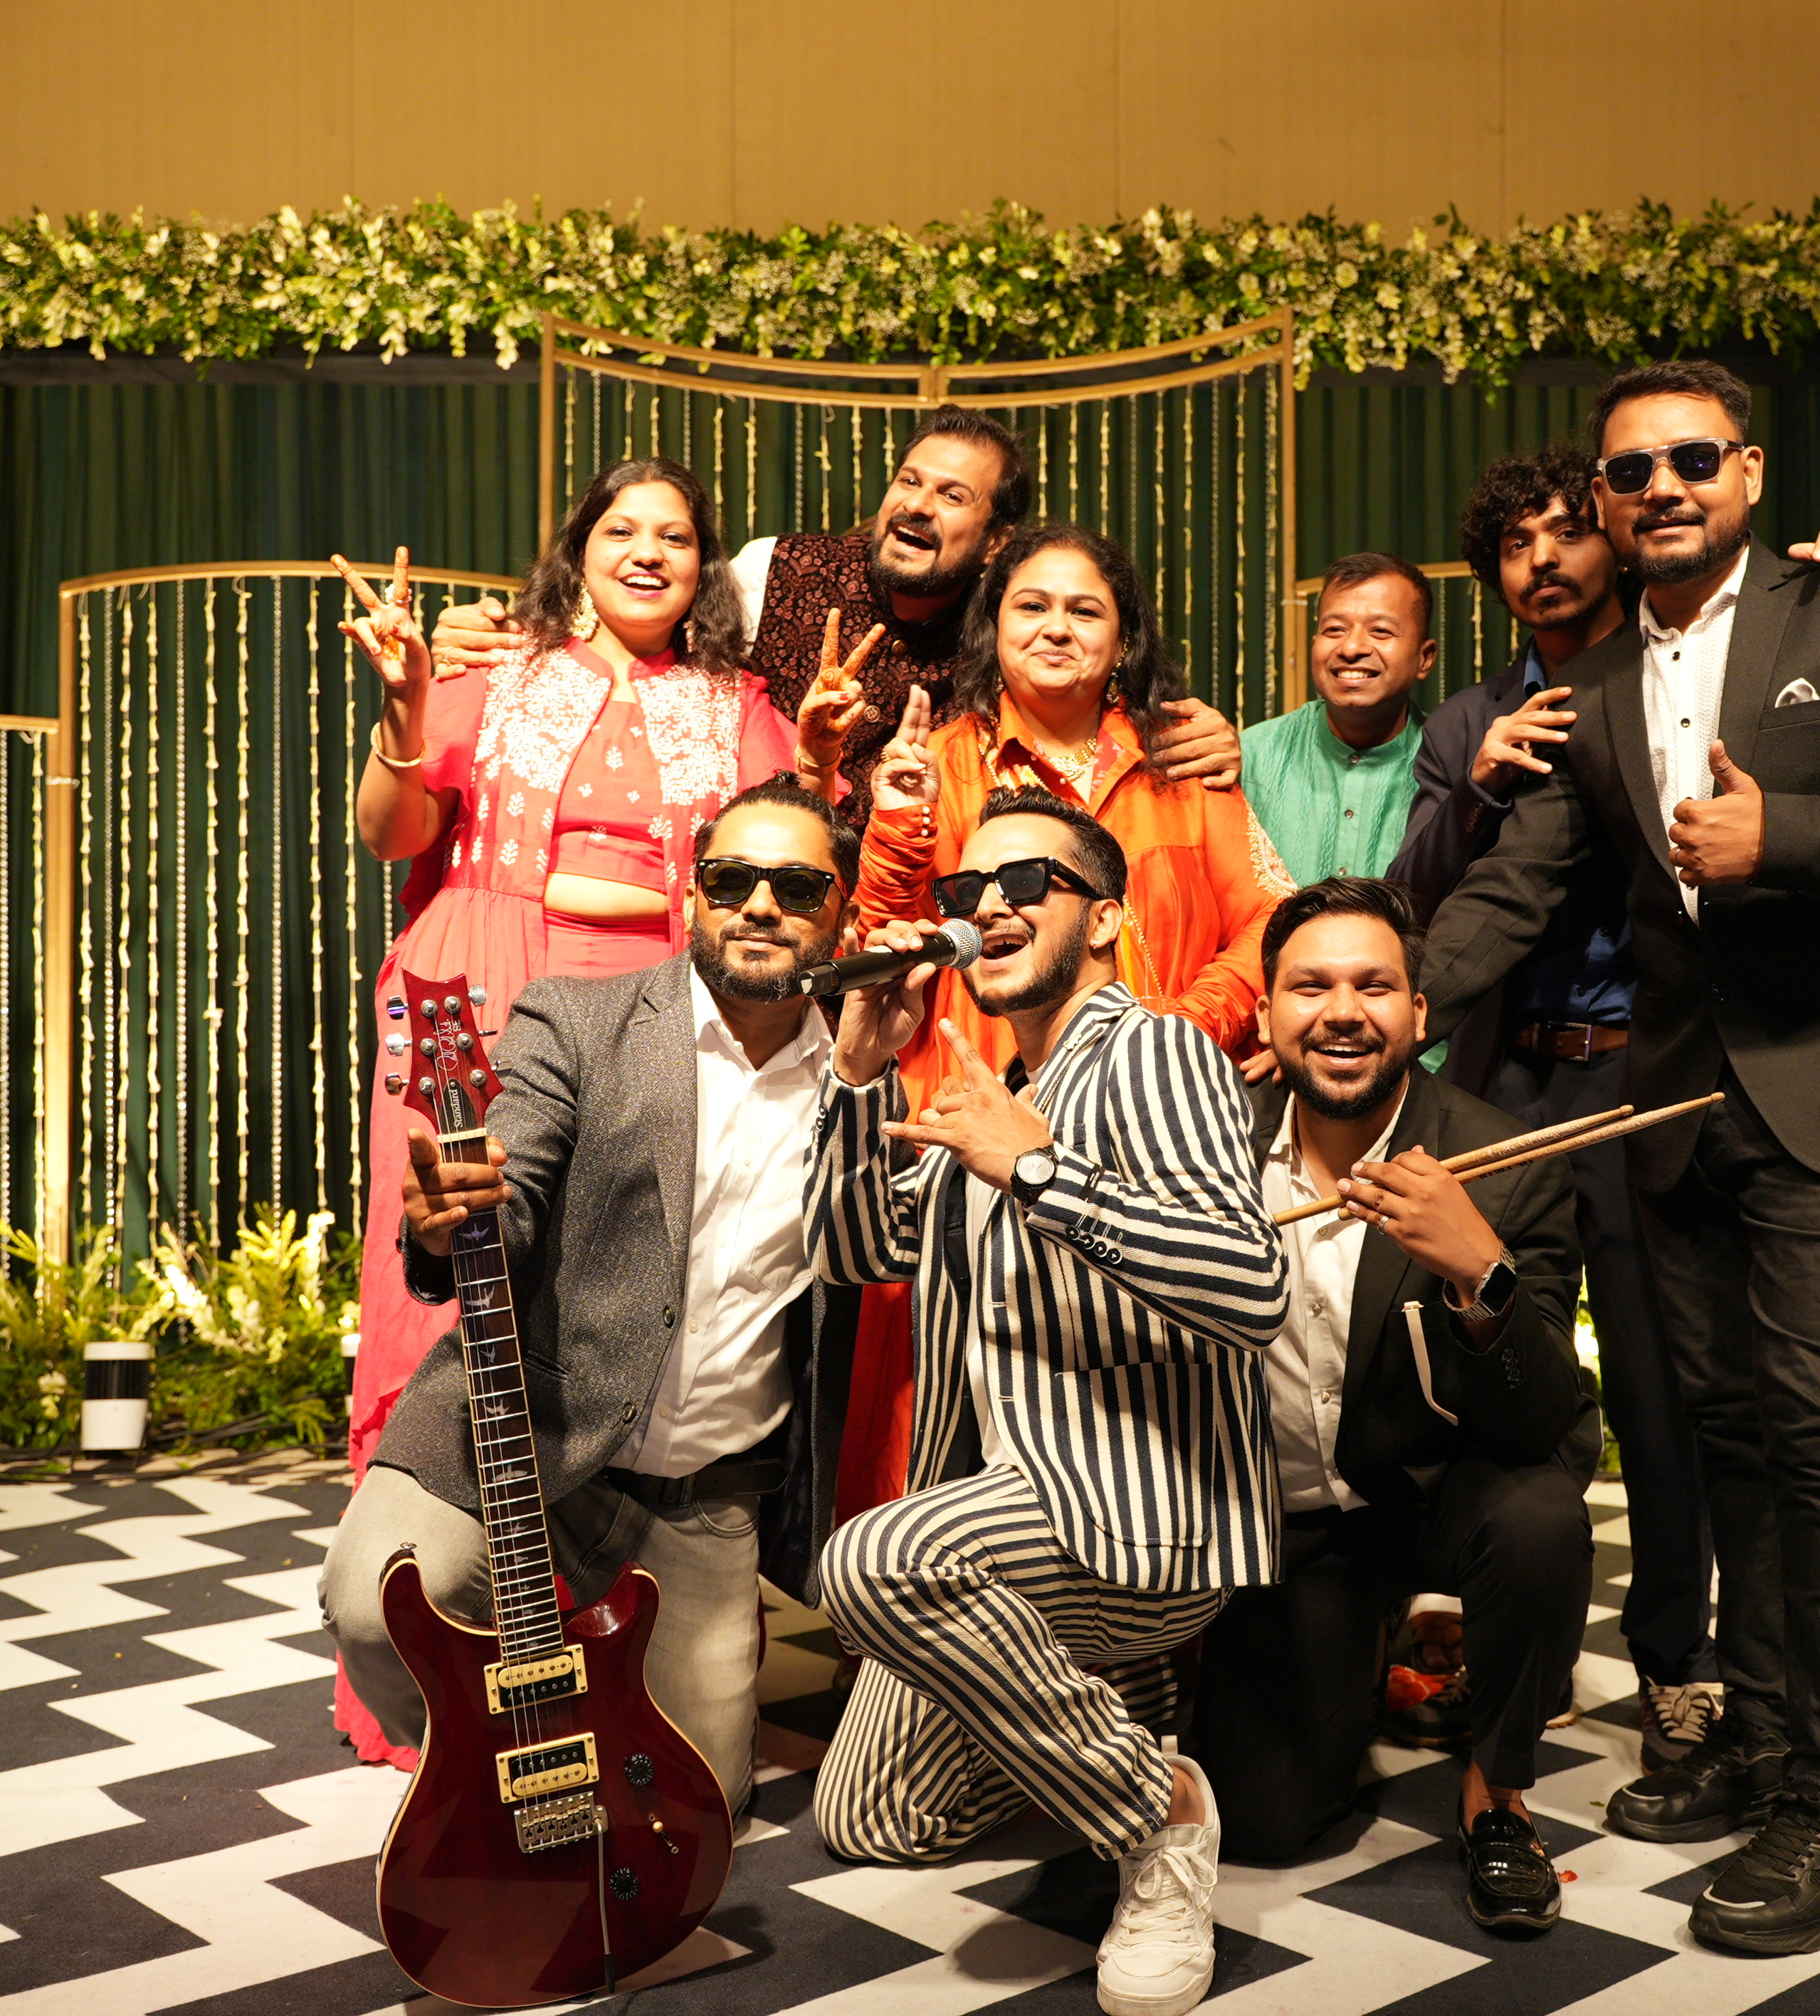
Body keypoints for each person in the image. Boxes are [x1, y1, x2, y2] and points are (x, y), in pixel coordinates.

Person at [1415, 360, 1820, 1957]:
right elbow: (1524, 880)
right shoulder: (1604, 678)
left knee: (1815, 1431)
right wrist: (1387, 995)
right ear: (1606, 503)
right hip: (1681, 1110)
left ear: (1745, 471)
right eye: (1631, 470)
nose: (1661, 487)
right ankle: (1756, 1731)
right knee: (1730, 1434)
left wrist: (1787, 839)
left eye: (1692, 458)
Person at [1392, 449, 1820, 1770]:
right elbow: (1460, 891)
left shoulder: (1717, 657)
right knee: (1502, 1361)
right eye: (1519, 544)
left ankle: (1692, 1673)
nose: (1548, 559)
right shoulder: (1484, 717)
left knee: (1680, 1394)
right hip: (1508, 1078)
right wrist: (1402, 985)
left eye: (1573, 530)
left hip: (1660, 1077)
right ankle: (1525, 1641)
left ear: (1621, 539)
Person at [334, 459, 836, 1765]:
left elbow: (795, 853)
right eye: (623, 528)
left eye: (677, 535)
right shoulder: (493, 672)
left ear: (707, 568)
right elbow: (392, 835)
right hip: (477, 987)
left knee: (628, 1298)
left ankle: (595, 1672)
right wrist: (403, 703)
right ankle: (436, 1684)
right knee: (444, 1295)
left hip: (655, 1009)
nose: (649, 551)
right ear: (580, 546)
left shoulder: (742, 708)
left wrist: (830, 755)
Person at [806, 791, 1285, 2016]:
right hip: (1019, 1522)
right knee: (871, 1817)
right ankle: (1117, 1711)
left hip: (1143, 1516)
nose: (991, 908)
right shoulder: (995, 1090)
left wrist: (1038, 1169)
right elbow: (854, 1252)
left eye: (1028, 883)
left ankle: (1160, 1812)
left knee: (872, 1561)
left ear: (1108, 918)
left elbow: (1253, 1284)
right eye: (967, 892)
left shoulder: (1155, 1054)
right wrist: (857, 1077)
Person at [318, 777, 866, 1815]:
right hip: (521, 1436)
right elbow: (510, 1185)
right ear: (692, 894)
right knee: (375, 1602)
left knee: (696, 1816)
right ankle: (482, 1783)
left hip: (701, 1498)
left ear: (843, 910)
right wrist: (451, 1221)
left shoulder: (865, 1070)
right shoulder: (579, 1018)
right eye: (731, 881)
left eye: (797, 887)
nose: (760, 906)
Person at [838, 520, 1295, 1512]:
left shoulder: (1184, 760)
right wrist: (899, 824)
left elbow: (1271, 918)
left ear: (1122, 637)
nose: (1056, 627)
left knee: (1128, 1371)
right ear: (991, 626)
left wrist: (1176, 1032)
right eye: (1031, 606)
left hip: (1147, 1124)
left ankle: (1134, 1568)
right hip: (973, 1112)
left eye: (1085, 610)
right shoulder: (940, 759)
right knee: (949, 1395)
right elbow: (886, 938)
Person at [1189, 878, 1597, 1938]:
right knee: (1265, 1823)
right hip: (1289, 1518)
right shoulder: (1209, 1152)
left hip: (1438, 1492)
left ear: (1419, 1013)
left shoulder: (1504, 1163)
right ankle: (1373, 1653)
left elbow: (1543, 1423)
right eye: (1310, 987)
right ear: (1266, 1013)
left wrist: (1480, 1275)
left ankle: (1497, 1794)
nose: (1342, 1012)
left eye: (1374, 987)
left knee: (1540, 1519)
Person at [431, 406, 1245, 807]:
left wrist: (1202, 735)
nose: (916, 504)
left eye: (951, 495)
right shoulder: (774, 569)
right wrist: (505, 634)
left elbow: (1094, 706)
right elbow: (637, 615)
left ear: (996, 539)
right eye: (909, 481)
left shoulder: (1013, 626)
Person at [1237, 552, 1436, 884]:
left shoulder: (1448, 766)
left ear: (1424, 658)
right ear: (1314, 643)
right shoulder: (1250, 758)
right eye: (1335, 629)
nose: (1351, 648)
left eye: (1381, 631)